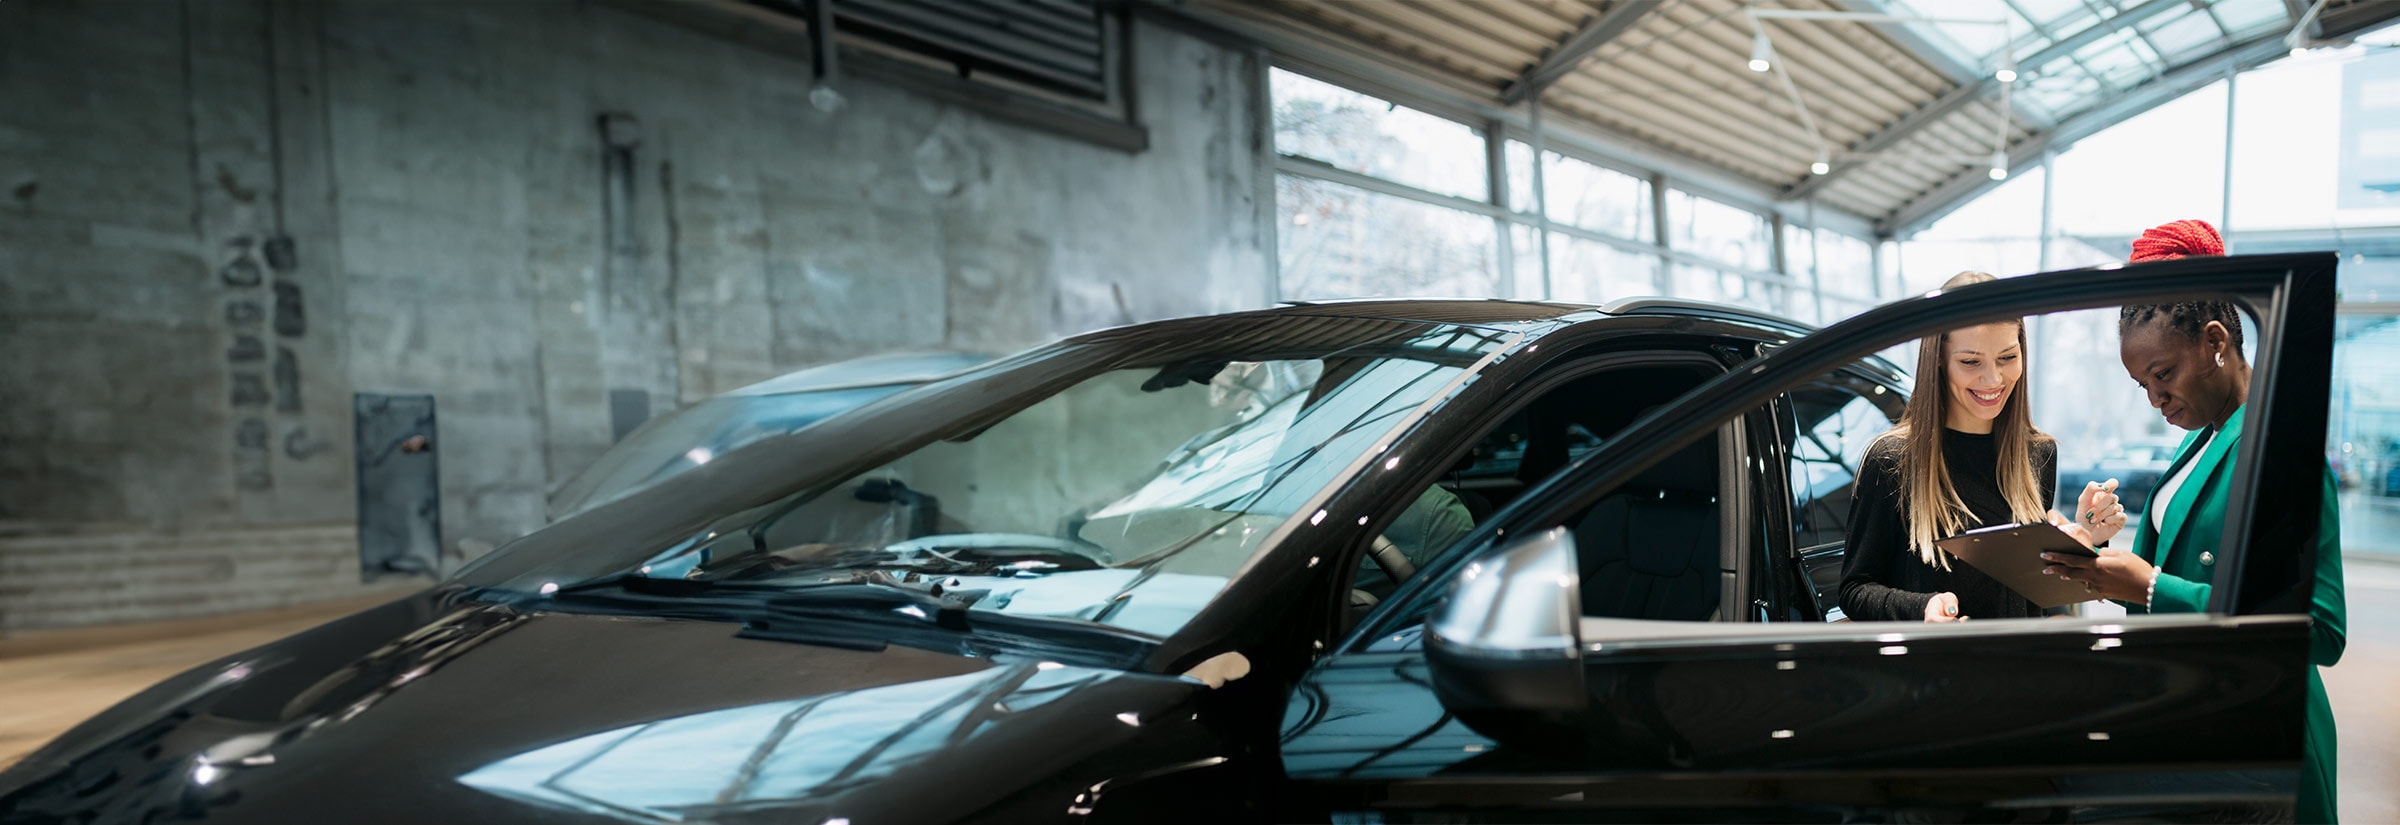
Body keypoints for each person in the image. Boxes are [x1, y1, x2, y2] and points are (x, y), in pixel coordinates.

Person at [2042, 218, 2347, 824]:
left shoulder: (2279, 446)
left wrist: (2150, 588)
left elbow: (2320, 629)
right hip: (2204, 720)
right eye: (2141, 384)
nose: (2154, 400)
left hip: (2263, 737)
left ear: (2215, 341)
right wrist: (2100, 553)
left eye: (2162, 375)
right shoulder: (2205, 438)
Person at [1839, 271, 2128, 623]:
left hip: (2020, 668)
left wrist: (2084, 540)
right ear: (1939, 360)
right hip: (1934, 671)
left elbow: (2034, 594)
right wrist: (1922, 609)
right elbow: (1856, 589)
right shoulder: (1891, 461)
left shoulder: (2038, 454)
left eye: (2007, 357)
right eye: (1971, 362)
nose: (1993, 379)